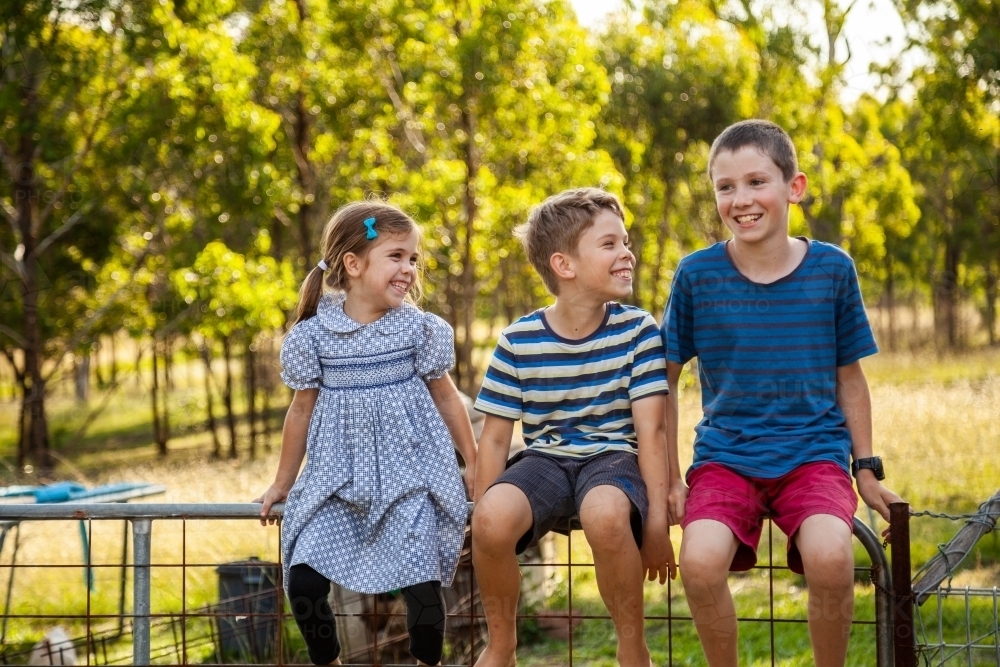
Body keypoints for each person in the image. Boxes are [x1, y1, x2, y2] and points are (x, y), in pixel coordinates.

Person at [661, 119, 903, 667]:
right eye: (725, 187)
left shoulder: (832, 269)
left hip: (812, 457)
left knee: (831, 558)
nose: (740, 200)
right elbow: (665, 382)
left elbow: (850, 378)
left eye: (755, 182)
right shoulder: (696, 275)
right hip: (726, 459)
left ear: (794, 187)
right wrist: (670, 477)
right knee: (698, 564)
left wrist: (864, 468)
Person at [254, 200, 478, 666]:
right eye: (396, 256)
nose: (409, 269)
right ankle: (328, 661)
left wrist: (474, 462)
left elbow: (447, 396)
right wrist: (283, 482)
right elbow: (299, 412)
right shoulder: (314, 337)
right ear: (353, 264)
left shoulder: (420, 330)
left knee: (422, 586)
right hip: (336, 481)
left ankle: (427, 663)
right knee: (305, 580)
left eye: (414, 258)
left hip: (409, 477)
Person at [472, 188, 685, 667]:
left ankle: (633, 645)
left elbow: (651, 431)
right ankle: (501, 643)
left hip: (613, 458)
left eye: (625, 241)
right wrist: (481, 518)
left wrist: (654, 527)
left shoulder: (637, 330)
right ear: (564, 265)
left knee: (606, 514)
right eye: (609, 244)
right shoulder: (518, 339)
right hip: (545, 459)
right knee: (491, 519)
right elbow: (497, 436)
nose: (627, 252)